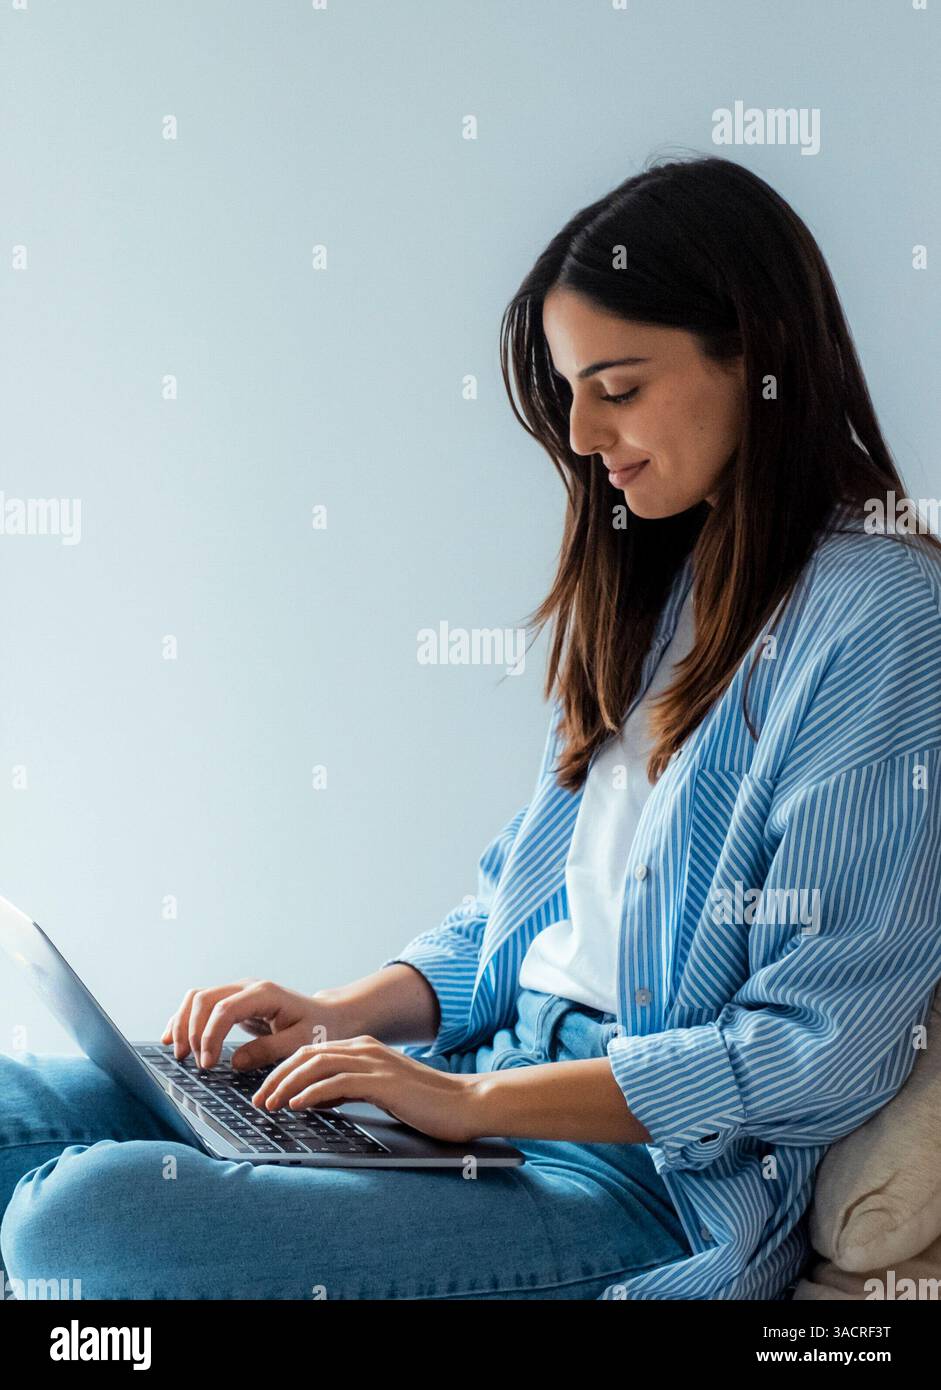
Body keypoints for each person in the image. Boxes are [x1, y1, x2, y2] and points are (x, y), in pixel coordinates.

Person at [2, 155, 940, 1300]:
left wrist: (466, 1103)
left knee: (81, 1215)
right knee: (18, 1114)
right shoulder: (667, 584)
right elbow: (517, 903)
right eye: (568, 389)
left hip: (635, 1180)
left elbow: (820, 1046)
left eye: (619, 385)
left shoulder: (882, 615)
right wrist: (342, 1013)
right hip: (476, 1093)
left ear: (756, 359)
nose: (583, 430)